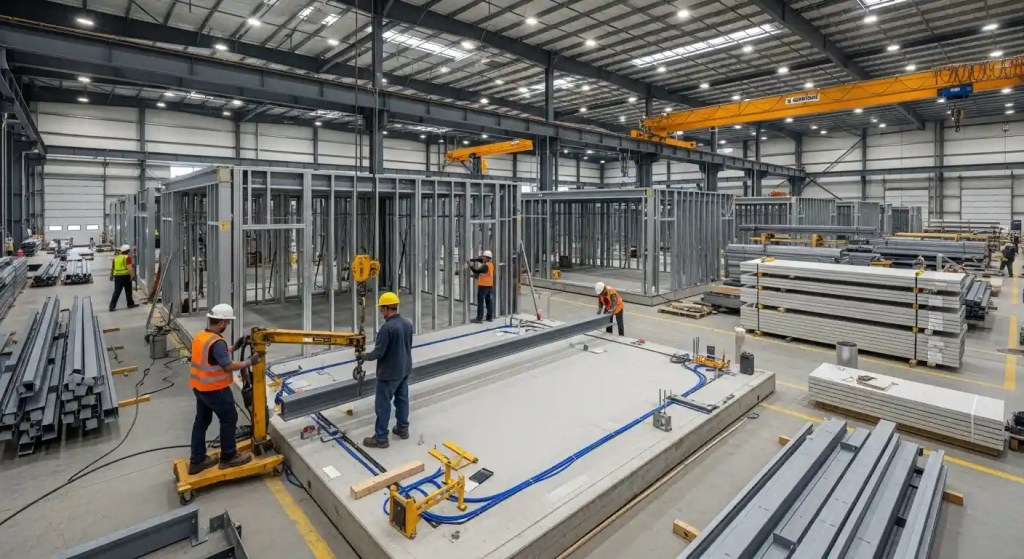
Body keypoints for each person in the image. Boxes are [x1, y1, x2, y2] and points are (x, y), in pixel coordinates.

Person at [187, 304, 261, 474]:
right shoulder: (217, 342)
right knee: (229, 418)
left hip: (200, 388)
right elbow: (228, 366)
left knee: (201, 422)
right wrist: (250, 362)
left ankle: (197, 460)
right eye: (226, 323)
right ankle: (229, 456)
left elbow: (212, 355)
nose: (227, 326)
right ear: (220, 323)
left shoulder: (201, 336)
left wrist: (234, 347)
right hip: (216, 389)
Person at [361, 292, 414, 449]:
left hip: (389, 373)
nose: (381, 313)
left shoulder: (386, 329)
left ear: (386, 309)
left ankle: (381, 437)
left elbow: (379, 352)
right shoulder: (407, 324)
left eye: (381, 309)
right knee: (402, 400)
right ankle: (402, 429)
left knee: (383, 405)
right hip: (404, 369)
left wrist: (365, 357)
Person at [109, 244, 138, 311]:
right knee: (128, 291)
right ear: (127, 251)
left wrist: (111, 275)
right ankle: (130, 304)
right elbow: (129, 268)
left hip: (117, 277)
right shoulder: (127, 257)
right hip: (125, 276)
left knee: (116, 292)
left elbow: (113, 267)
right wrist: (133, 276)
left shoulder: (116, 257)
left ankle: (112, 306)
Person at [470, 250, 494, 323]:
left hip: (483, 286)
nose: (482, 258)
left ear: (486, 258)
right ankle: (489, 317)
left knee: (480, 302)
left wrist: (470, 265)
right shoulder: (490, 264)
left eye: (483, 257)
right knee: (488, 301)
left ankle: (479, 318)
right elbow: (481, 261)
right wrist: (475, 260)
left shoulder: (485, 266)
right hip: (489, 286)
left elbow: (476, 271)